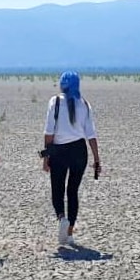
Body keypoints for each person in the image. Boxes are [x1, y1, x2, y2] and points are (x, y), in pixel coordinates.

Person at [42, 71, 100, 246]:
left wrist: (46, 157)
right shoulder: (84, 104)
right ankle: (69, 232)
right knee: (73, 191)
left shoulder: (55, 102)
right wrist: (97, 159)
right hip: (79, 150)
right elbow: (91, 134)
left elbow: (49, 133)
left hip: (59, 151)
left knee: (57, 189)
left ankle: (61, 218)